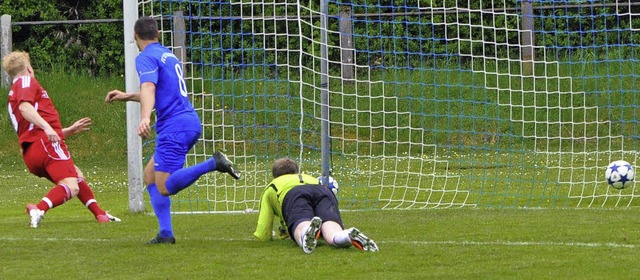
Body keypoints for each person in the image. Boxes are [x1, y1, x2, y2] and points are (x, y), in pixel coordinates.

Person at [105, 16, 241, 244]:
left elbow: (148, 87)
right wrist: (127, 96)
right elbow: (161, 93)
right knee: (150, 175)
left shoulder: (145, 57)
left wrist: (145, 117)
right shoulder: (167, 55)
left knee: (165, 186)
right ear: (157, 34)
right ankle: (165, 233)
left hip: (175, 127)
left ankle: (213, 163)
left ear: (135, 36)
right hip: (187, 122)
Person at [2, 51, 121, 228]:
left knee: (76, 175)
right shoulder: (25, 81)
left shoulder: (14, 91)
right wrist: (48, 127)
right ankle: (39, 209)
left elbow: (31, 128)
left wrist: (66, 131)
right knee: (72, 186)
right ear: (29, 68)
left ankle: (100, 214)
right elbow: (26, 108)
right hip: (45, 144)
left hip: (33, 150)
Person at [253, 157, 379, 253]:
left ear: (274, 176)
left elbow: (263, 229)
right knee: (331, 230)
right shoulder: (310, 177)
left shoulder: (271, 187)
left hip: (294, 194)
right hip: (323, 190)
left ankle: (306, 232)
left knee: (301, 222)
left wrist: (264, 236)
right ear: (297, 171)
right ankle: (345, 236)